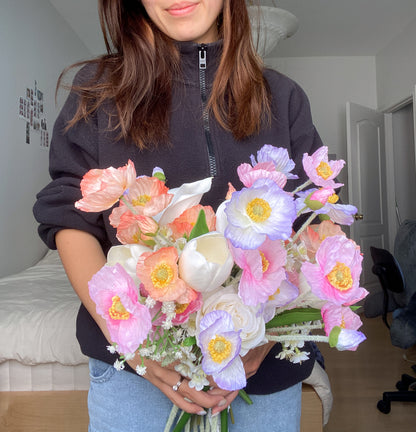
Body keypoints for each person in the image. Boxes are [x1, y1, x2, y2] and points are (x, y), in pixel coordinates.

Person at [33, 1, 323, 430]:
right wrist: (134, 347)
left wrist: (266, 339)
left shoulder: (283, 97)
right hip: (135, 379)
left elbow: (315, 224)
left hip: (263, 374)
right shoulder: (98, 89)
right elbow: (69, 218)